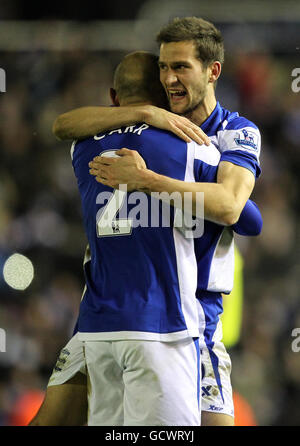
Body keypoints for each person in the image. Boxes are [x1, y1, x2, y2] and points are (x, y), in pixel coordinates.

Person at [33, 18, 262, 426]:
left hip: (185, 312)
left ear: (213, 71)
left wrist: (147, 180)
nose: (170, 78)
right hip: (163, 319)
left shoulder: (233, 132)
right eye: (163, 67)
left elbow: (233, 208)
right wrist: (146, 114)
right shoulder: (175, 141)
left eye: (180, 67)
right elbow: (245, 216)